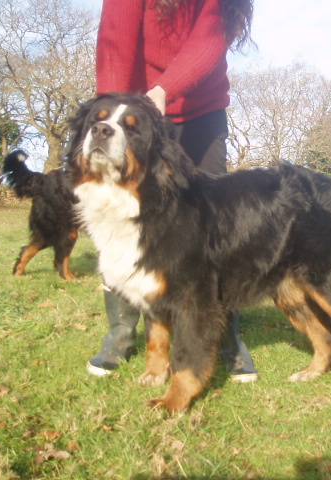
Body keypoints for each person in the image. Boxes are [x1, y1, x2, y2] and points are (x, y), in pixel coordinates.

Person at [86, 0, 258, 383]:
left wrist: (164, 91)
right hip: (134, 113)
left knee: (213, 227)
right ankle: (121, 333)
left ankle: (227, 338)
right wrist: (116, 108)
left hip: (201, 110)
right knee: (118, 217)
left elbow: (207, 41)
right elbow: (115, 40)